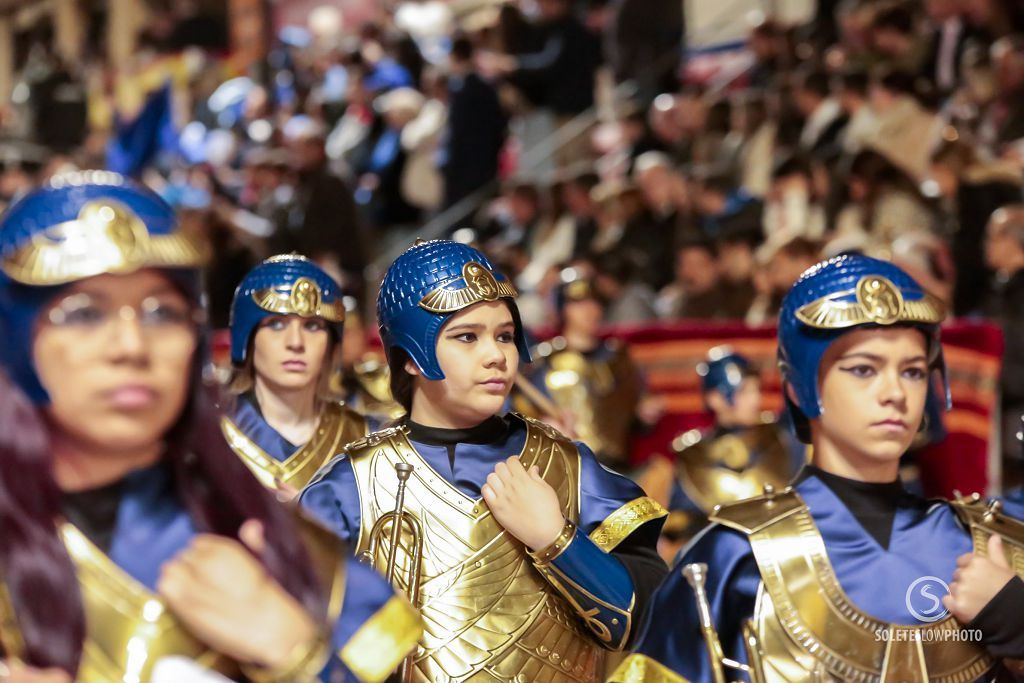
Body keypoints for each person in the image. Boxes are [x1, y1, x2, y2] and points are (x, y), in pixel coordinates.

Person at [0, 172, 420, 682]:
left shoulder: (281, 546)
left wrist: (295, 651)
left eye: (161, 313)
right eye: (84, 314)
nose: (131, 346)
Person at [612, 254, 1024, 682]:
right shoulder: (733, 558)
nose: (895, 392)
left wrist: (1017, 623)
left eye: (913, 372)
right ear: (799, 386)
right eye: (863, 369)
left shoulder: (991, 548)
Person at [301, 239, 669, 681]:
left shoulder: (570, 466)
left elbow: (651, 622)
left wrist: (557, 539)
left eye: (505, 336)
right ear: (411, 357)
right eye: (467, 337)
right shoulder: (348, 487)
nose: (496, 355)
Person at [222, 254, 368, 495]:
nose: (296, 343)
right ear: (246, 338)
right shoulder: (211, 435)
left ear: (332, 344)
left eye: (312, 326)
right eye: (276, 324)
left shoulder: (363, 438)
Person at [656, 348, 803, 563]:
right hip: (722, 562)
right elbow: (681, 530)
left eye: (756, 390)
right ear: (715, 398)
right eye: (744, 392)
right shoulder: (693, 457)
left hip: (786, 554)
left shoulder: (780, 439)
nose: (756, 400)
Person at [518, 271, 660, 471]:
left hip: (619, 466)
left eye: (593, 302)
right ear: (562, 309)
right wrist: (543, 426)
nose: (589, 310)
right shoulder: (545, 362)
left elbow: (637, 418)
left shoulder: (619, 358)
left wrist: (644, 414)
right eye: (578, 303)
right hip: (568, 467)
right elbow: (523, 416)